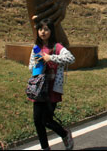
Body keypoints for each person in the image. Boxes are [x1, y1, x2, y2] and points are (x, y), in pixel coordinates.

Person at [28, 18, 75, 150]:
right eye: (40, 29)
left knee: (47, 120)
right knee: (37, 121)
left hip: (52, 88)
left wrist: (51, 58)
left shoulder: (57, 47)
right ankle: (45, 148)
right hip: (38, 88)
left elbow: (71, 58)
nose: (43, 32)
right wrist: (37, 64)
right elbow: (30, 66)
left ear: (51, 31)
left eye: (46, 29)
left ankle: (64, 134)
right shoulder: (36, 48)